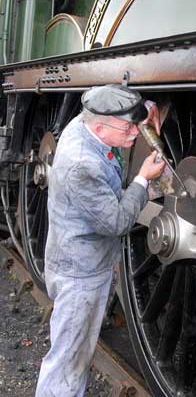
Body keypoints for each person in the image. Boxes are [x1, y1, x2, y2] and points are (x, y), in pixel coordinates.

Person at [35, 84, 165, 397]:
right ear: (99, 127)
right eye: (128, 127)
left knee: (73, 352)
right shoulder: (81, 165)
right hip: (80, 274)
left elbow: (110, 95)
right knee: (69, 360)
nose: (136, 132)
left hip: (80, 260)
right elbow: (117, 222)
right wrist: (142, 180)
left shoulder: (83, 123)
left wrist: (146, 107)